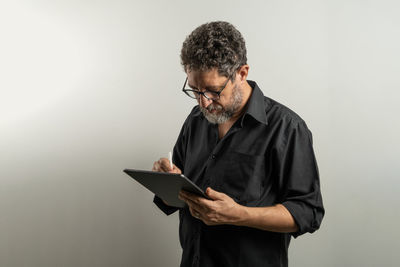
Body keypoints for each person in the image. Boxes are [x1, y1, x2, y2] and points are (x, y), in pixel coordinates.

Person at [152, 21, 324, 267]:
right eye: (195, 90)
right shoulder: (195, 120)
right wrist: (166, 181)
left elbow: (308, 212)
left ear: (242, 73)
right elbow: (178, 197)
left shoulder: (287, 128)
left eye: (213, 91)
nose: (203, 103)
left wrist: (239, 215)